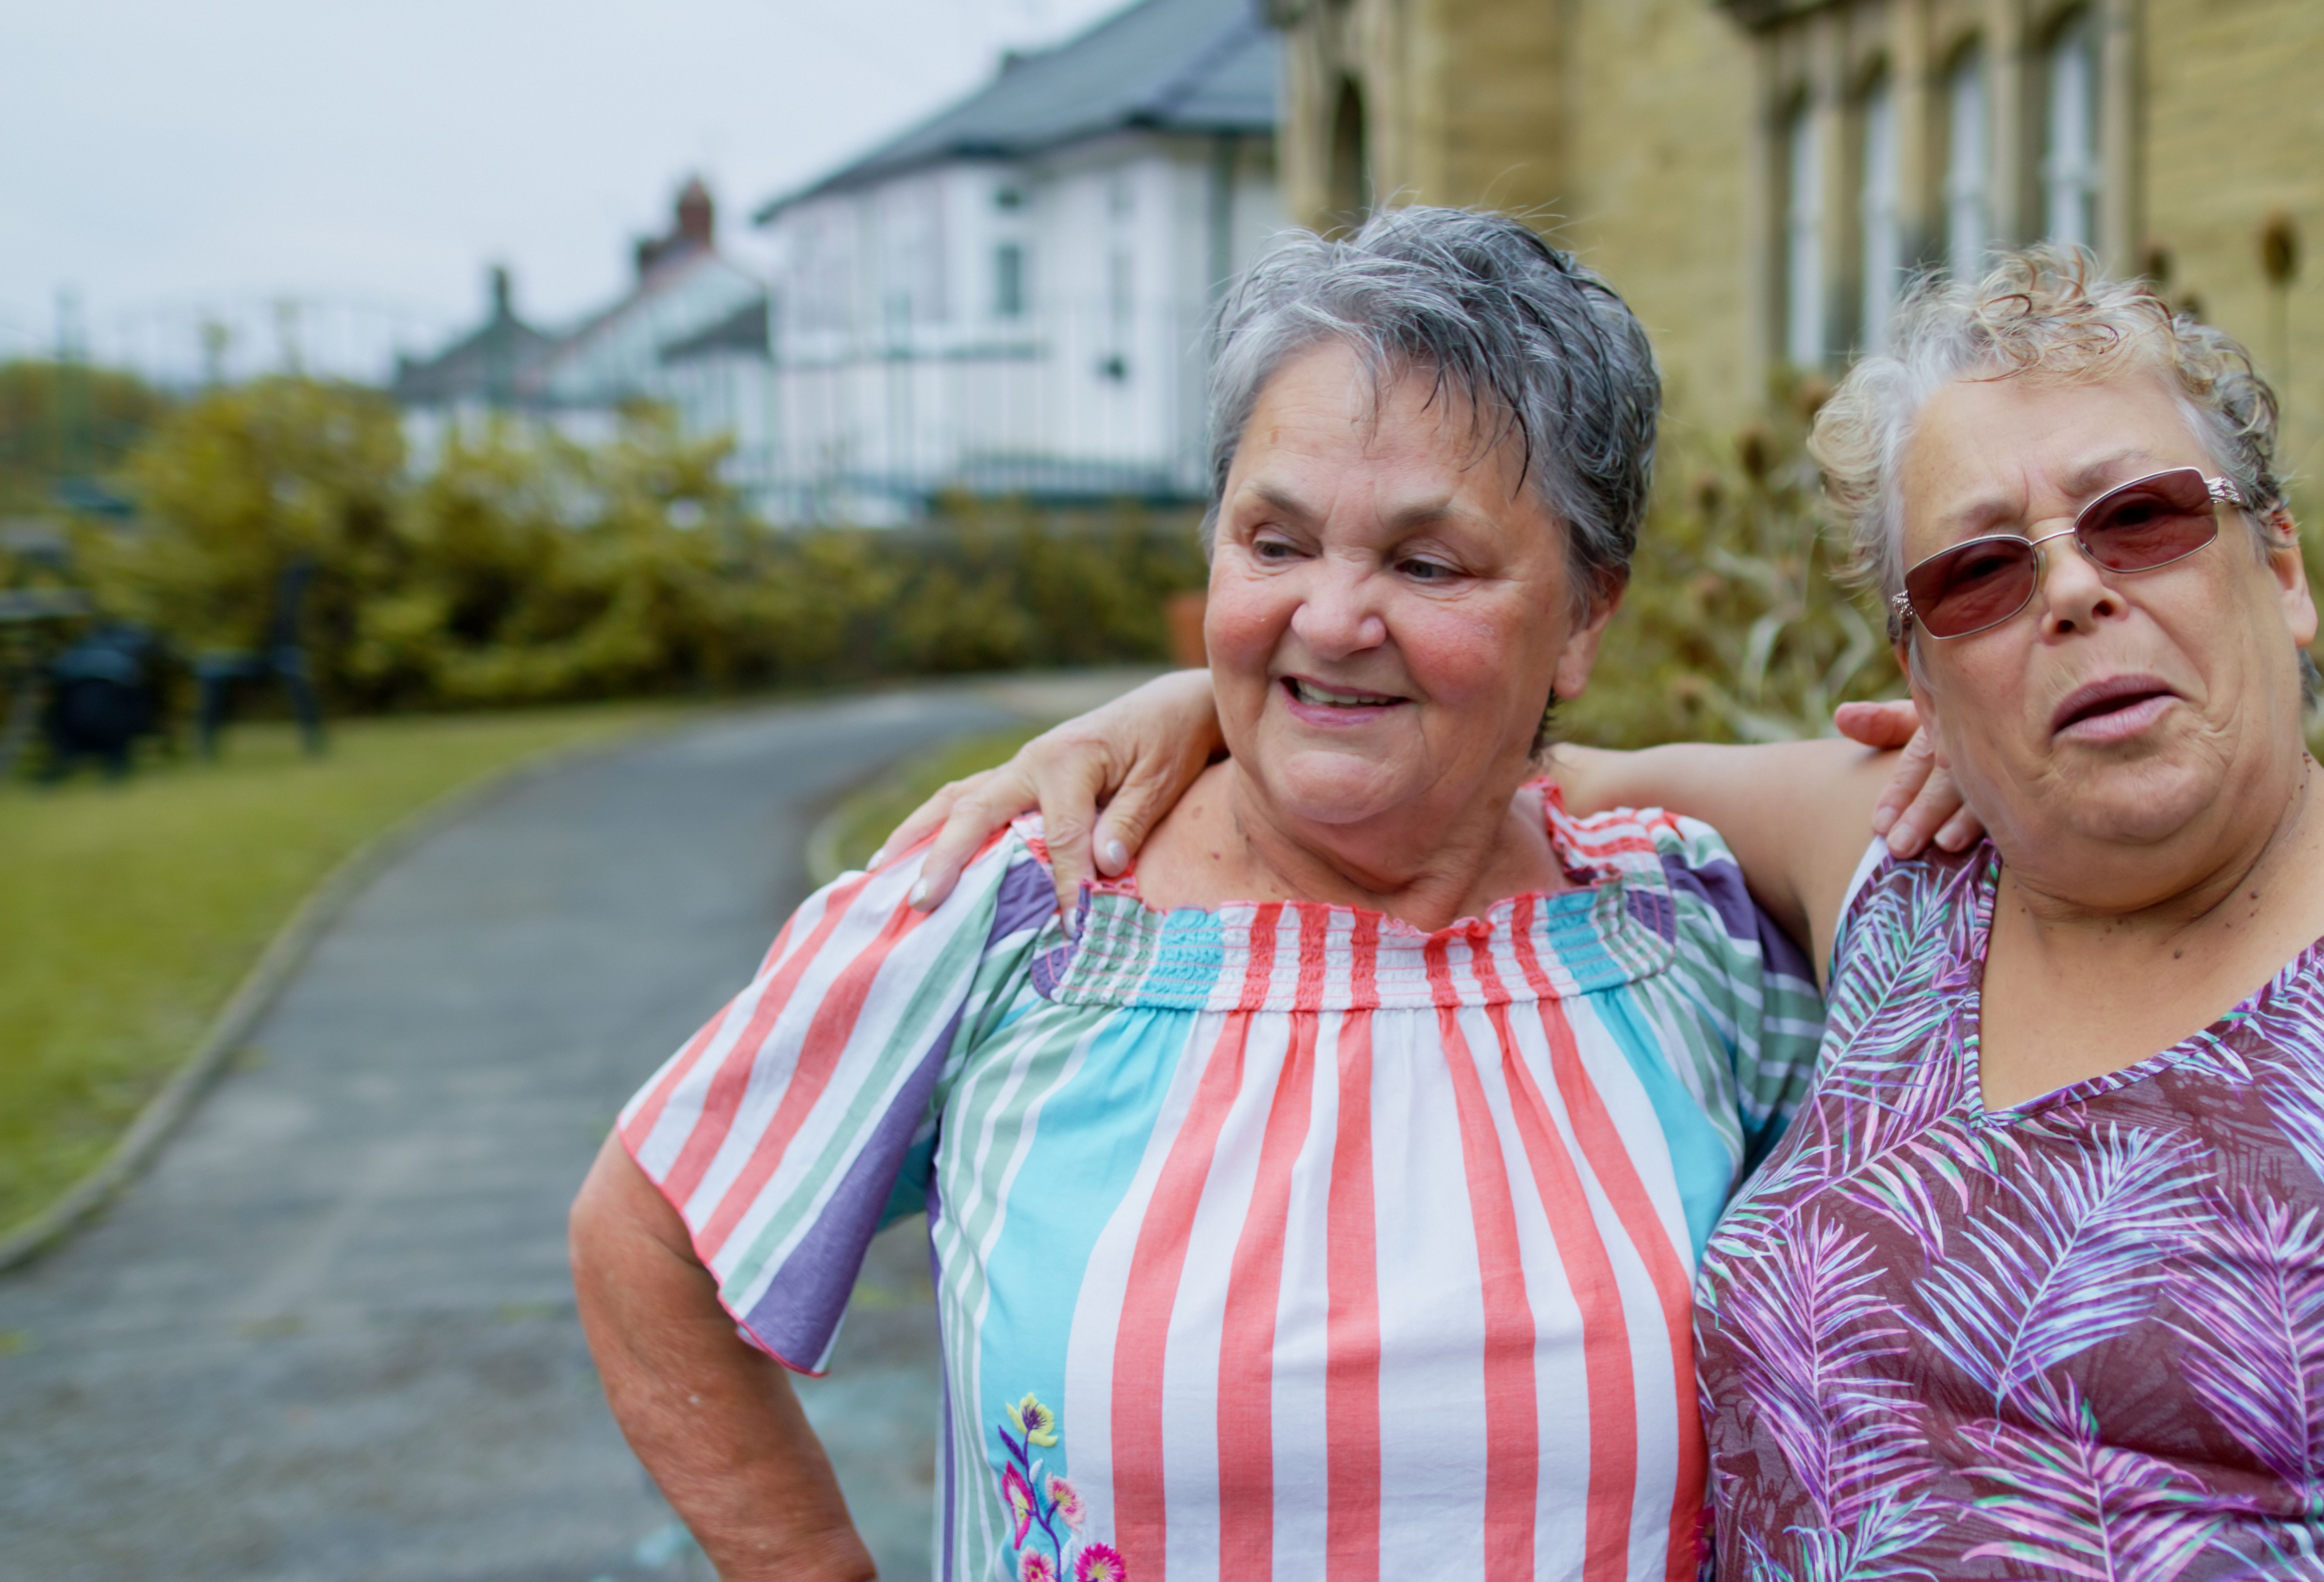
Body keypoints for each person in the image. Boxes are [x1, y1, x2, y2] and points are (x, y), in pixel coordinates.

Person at [893, 246, 2324, 1577]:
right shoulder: (1902, 870)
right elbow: (1482, 748)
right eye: (1981, 575)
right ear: (1920, 676)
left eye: (2143, 517)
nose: (2075, 592)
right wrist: (1210, 698)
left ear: (2282, 563)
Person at [566, 209, 1833, 1582]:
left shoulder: (1689, 942)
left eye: (1425, 563)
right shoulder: (1030, 904)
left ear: (1587, 614)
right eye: (1275, 543)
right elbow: (651, 1232)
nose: (1332, 618)